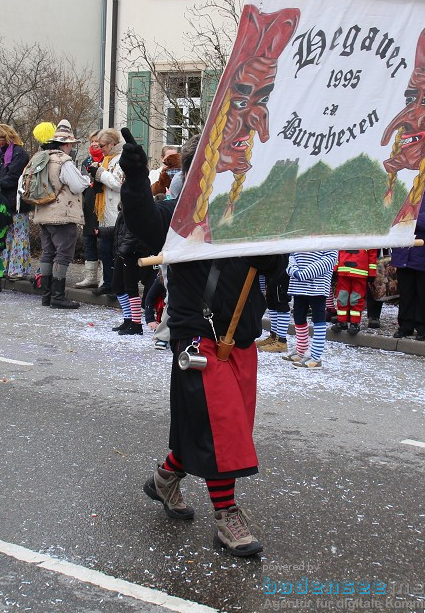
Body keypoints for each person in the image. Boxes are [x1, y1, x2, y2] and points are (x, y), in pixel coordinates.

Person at [120, 129, 282, 557]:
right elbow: (142, 222)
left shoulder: (249, 211)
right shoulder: (178, 215)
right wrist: (135, 179)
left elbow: (271, 264)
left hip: (241, 341)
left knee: (216, 425)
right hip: (199, 340)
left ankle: (165, 478)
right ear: (196, 172)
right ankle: (227, 518)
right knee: (222, 427)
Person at [32, 123, 91, 309]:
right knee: (63, 254)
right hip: (62, 214)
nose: (71, 147)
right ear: (65, 144)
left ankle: (46, 295)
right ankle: (58, 296)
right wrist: (87, 180)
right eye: (71, 144)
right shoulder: (63, 161)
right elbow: (76, 185)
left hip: (43, 212)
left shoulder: (40, 158)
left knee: (47, 253)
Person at [390, 176, 425, 340]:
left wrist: (411, 218)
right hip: (404, 252)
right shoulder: (405, 192)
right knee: (406, 292)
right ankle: (405, 326)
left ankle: (423, 327)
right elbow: (392, 215)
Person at [282, 250, 338, 369]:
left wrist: (305, 273)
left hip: (317, 285)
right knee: (298, 315)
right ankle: (301, 350)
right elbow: (292, 255)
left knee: (318, 318)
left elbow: (329, 259)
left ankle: (316, 357)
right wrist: (293, 270)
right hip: (298, 284)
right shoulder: (303, 236)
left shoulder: (328, 239)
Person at [0, 124, 30, 281]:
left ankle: (17, 269)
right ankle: (8, 266)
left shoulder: (18, 153)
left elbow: (13, 177)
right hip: (6, 199)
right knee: (8, 235)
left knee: (19, 235)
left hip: (18, 201)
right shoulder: (2, 153)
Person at [90, 127, 123, 296]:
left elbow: (118, 183)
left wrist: (100, 174)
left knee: (116, 251)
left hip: (117, 211)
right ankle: (107, 282)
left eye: (102, 145)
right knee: (104, 249)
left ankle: (117, 286)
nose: (100, 149)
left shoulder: (121, 159)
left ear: (111, 144)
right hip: (105, 213)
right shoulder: (107, 159)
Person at [75, 132, 104, 289]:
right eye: (91, 141)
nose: (94, 144)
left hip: (103, 206)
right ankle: (90, 276)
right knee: (89, 240)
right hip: (89, 204)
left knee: (103, 242)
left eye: (97, 141)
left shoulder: (108, 160)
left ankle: (103, 277)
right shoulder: (86, 161)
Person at [332, 251, 372, 335]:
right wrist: (335, 268)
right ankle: (342, 321)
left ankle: (355, 323)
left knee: (356, 299)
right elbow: (338, 251)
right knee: (342, 297)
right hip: (343, 271)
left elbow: (372, 254)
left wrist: (372, 273)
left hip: (360, 272)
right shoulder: (344, 237)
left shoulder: (368, 238)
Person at [255, 271, 291, 352]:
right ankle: (274, 337)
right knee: (271, 303)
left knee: (281, 302)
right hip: (271, 270)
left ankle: (281, 341)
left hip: (280, 268)